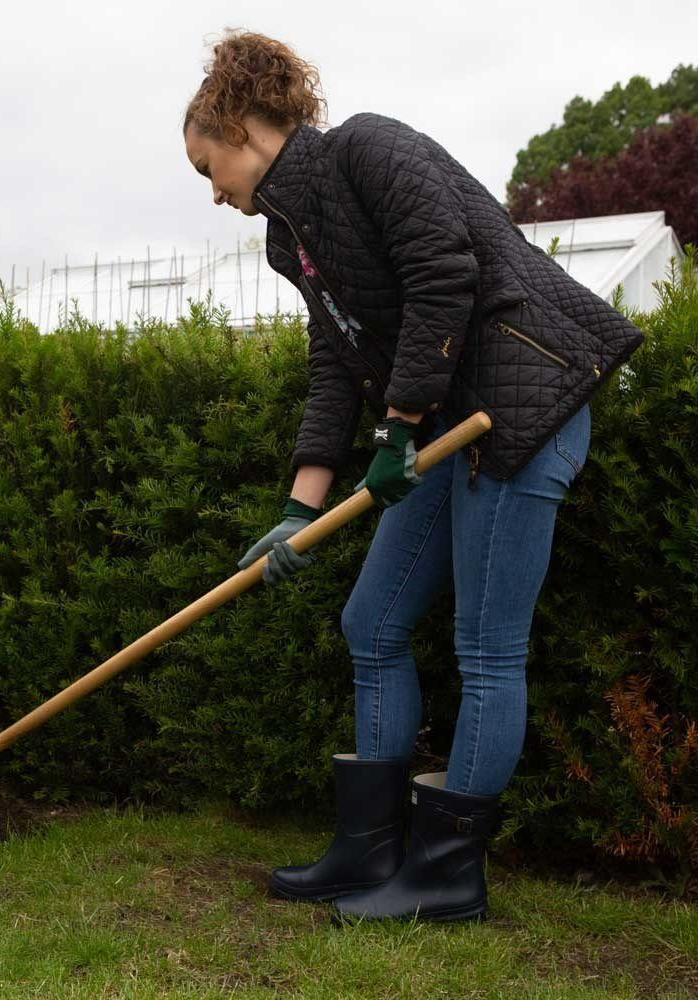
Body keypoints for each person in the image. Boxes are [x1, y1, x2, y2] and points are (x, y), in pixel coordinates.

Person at [182, 29, 644, 925]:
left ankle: (445, 877)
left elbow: (445, 275)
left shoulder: (370, 148)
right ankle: (370, 853)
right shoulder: (292, 238)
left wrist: (397, 429)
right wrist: (297, 508)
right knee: (374, 621)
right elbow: (334, 364)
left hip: (520, 413)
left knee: (486, 650)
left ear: (242, 126)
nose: (213, 193)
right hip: (440, 430)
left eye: (209, 167)